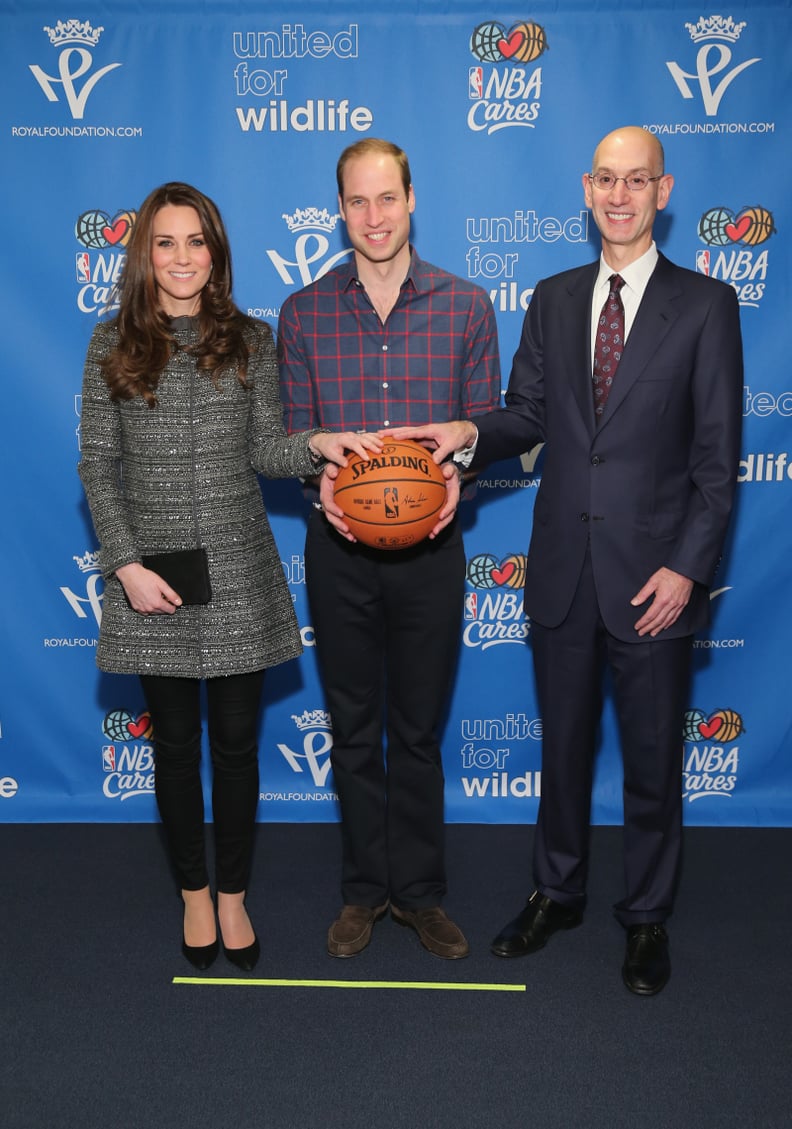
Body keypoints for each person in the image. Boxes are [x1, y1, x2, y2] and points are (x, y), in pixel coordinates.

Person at [390, 126, 743, 994]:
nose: (620, 196)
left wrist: (689, 568)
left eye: (638, 181)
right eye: (606, 180)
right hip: (560, 571)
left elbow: (715, 460)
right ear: (586, 189)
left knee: (656, 760)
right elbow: (528, 416)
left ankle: (647, 916)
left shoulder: (706, 304)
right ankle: (557, 890)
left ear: (664, 192)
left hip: (654, 578)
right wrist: (469, 433)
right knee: (565, 751)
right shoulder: (551, 297)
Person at [79, 181, 377, 973]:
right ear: (145, 253)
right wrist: (127, 565)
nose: (181, 257)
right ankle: (194, 893)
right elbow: (99, 467)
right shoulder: (110, 344)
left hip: (239, 568)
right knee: (175, 748)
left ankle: (236, 894)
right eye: (165, 242)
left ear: (217, 251)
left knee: (239, 748)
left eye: (196, 241)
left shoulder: (252, 337)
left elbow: (265, 452)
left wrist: (319, 443)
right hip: (154, 577)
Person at [277, 138, 501, 959]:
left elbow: (487, 431)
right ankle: (364, 891)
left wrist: (453, 491)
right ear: (340, 209)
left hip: (434, 552)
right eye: (356, 202)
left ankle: (420, 893)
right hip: (337, 549)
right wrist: (322, 472)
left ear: (412, 199)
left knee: (415, 731)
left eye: (387, 198)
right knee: (352, 724)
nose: (374, 217)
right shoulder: (302, 313)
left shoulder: (467, 306)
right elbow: (294, 435)